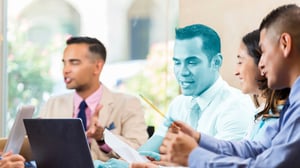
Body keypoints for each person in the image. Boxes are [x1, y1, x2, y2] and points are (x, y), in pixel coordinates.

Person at [152, 4, 300, 167]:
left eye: (263, 51)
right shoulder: (292, 103)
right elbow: (256, 149)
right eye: (177, 63)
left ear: (285, 44)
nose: (261, 63)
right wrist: (199, 139)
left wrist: (193, 156)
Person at [97, 24, 255, 167]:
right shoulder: (179, 104)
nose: (182, 72)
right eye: (177, 63)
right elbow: (143, 153)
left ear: (216, 62)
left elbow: (217, 165)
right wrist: (120, 164)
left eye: (192, 62)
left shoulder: (236, 106)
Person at [39, 36, 148, 161]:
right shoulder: (53, 104)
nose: (66, 70)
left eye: (74, 62)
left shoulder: (128, 104)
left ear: (97, 67)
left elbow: (140, 151)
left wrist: (103, 138)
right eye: (64, 63)